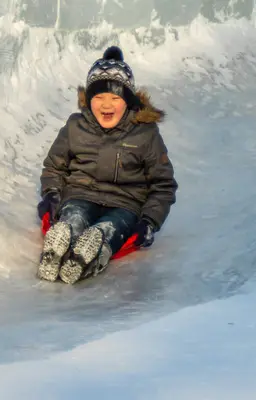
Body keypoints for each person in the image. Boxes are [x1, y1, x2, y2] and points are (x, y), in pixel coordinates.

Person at [36, 45, 178, 284]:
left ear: (129, 101)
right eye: (99, 97)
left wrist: (149, 222)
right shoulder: (75, 127)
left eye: (115, 97)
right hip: (80, 194)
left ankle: (91, 254)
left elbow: (163, 185)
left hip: (125, 204)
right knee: (74, 217)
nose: (106, 104)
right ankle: (58, 247)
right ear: (89, 100)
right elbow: (54, 167)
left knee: (109, 229)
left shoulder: (145, 134)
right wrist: (52, 195)